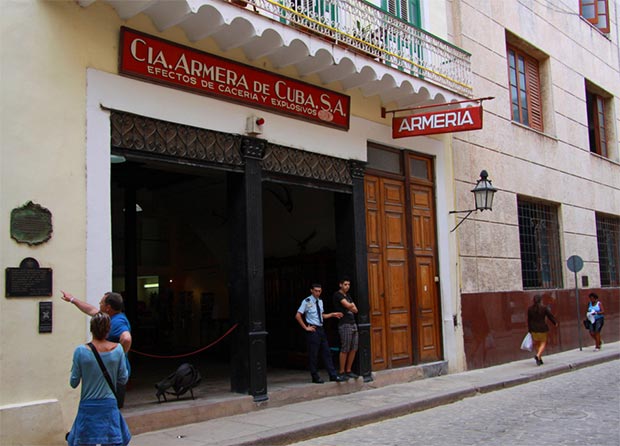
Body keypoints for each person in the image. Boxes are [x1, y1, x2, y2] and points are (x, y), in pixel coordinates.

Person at [66, 312, 131, 446]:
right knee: (112, 441)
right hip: (109, 406)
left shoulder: (80, 351)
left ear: (91, 329)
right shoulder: (118, 350)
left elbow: (73, 382)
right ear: (108, 330)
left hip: (87, 406)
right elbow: (123, 379)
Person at [62, 290, 132, 407]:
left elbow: (126, 338)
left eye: (101, 303)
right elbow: (91, 310)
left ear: (108, 307)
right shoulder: (107, 318)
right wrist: (72, 300)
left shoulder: (118, 321)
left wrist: (120, 353)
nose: (99, 305)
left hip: (112, 376)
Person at [295, 283, 347, 383]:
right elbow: (298, 315)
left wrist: (332, 314)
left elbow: (321, 315)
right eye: (316, 291)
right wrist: (306, 328)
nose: (318, 293)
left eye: (319, 291)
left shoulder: (320, 302)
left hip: (321, 329)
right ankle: (315, 376)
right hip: (313, 329)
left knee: (327, 352)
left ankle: (332, 375)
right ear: (311, 290)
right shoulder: (307, 301)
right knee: (313, 354)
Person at [332, 277, 359, 379]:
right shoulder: (337, 295)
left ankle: (349, 370)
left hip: (353, 323)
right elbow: (347, 305)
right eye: (345, 284)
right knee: (345, 348)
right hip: (344, 324)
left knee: (354, 348)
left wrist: (351, 306)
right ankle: (342, 371)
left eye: (348, 285)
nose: (347, 286)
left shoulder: (348, 296)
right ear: (340, 285)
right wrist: (350, 305)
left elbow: (355, 310)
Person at [527, 294, 559, 366]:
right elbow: (550, 316)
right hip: (542, 328)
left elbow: (529, 320)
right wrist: (555, 322)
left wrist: (529, 329)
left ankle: (539, 359)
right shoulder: (544, 308)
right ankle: (538, 355)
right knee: (543, 343)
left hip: (533, 329)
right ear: (540, 300)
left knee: (536, 344)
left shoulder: (530, 309)